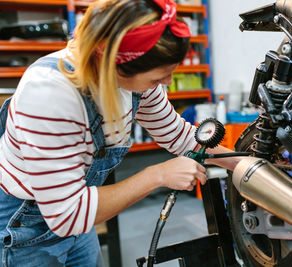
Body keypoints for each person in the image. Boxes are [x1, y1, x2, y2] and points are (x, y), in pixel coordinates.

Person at [0, 0, 240, 265]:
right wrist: (157, 175)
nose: (167, 83)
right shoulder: (49, 95)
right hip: (24, 226)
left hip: (79, 209)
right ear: (113, 63)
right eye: (157, 77)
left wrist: (248, 166)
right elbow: (67, 214)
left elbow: (179, 135)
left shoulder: (133, 78)